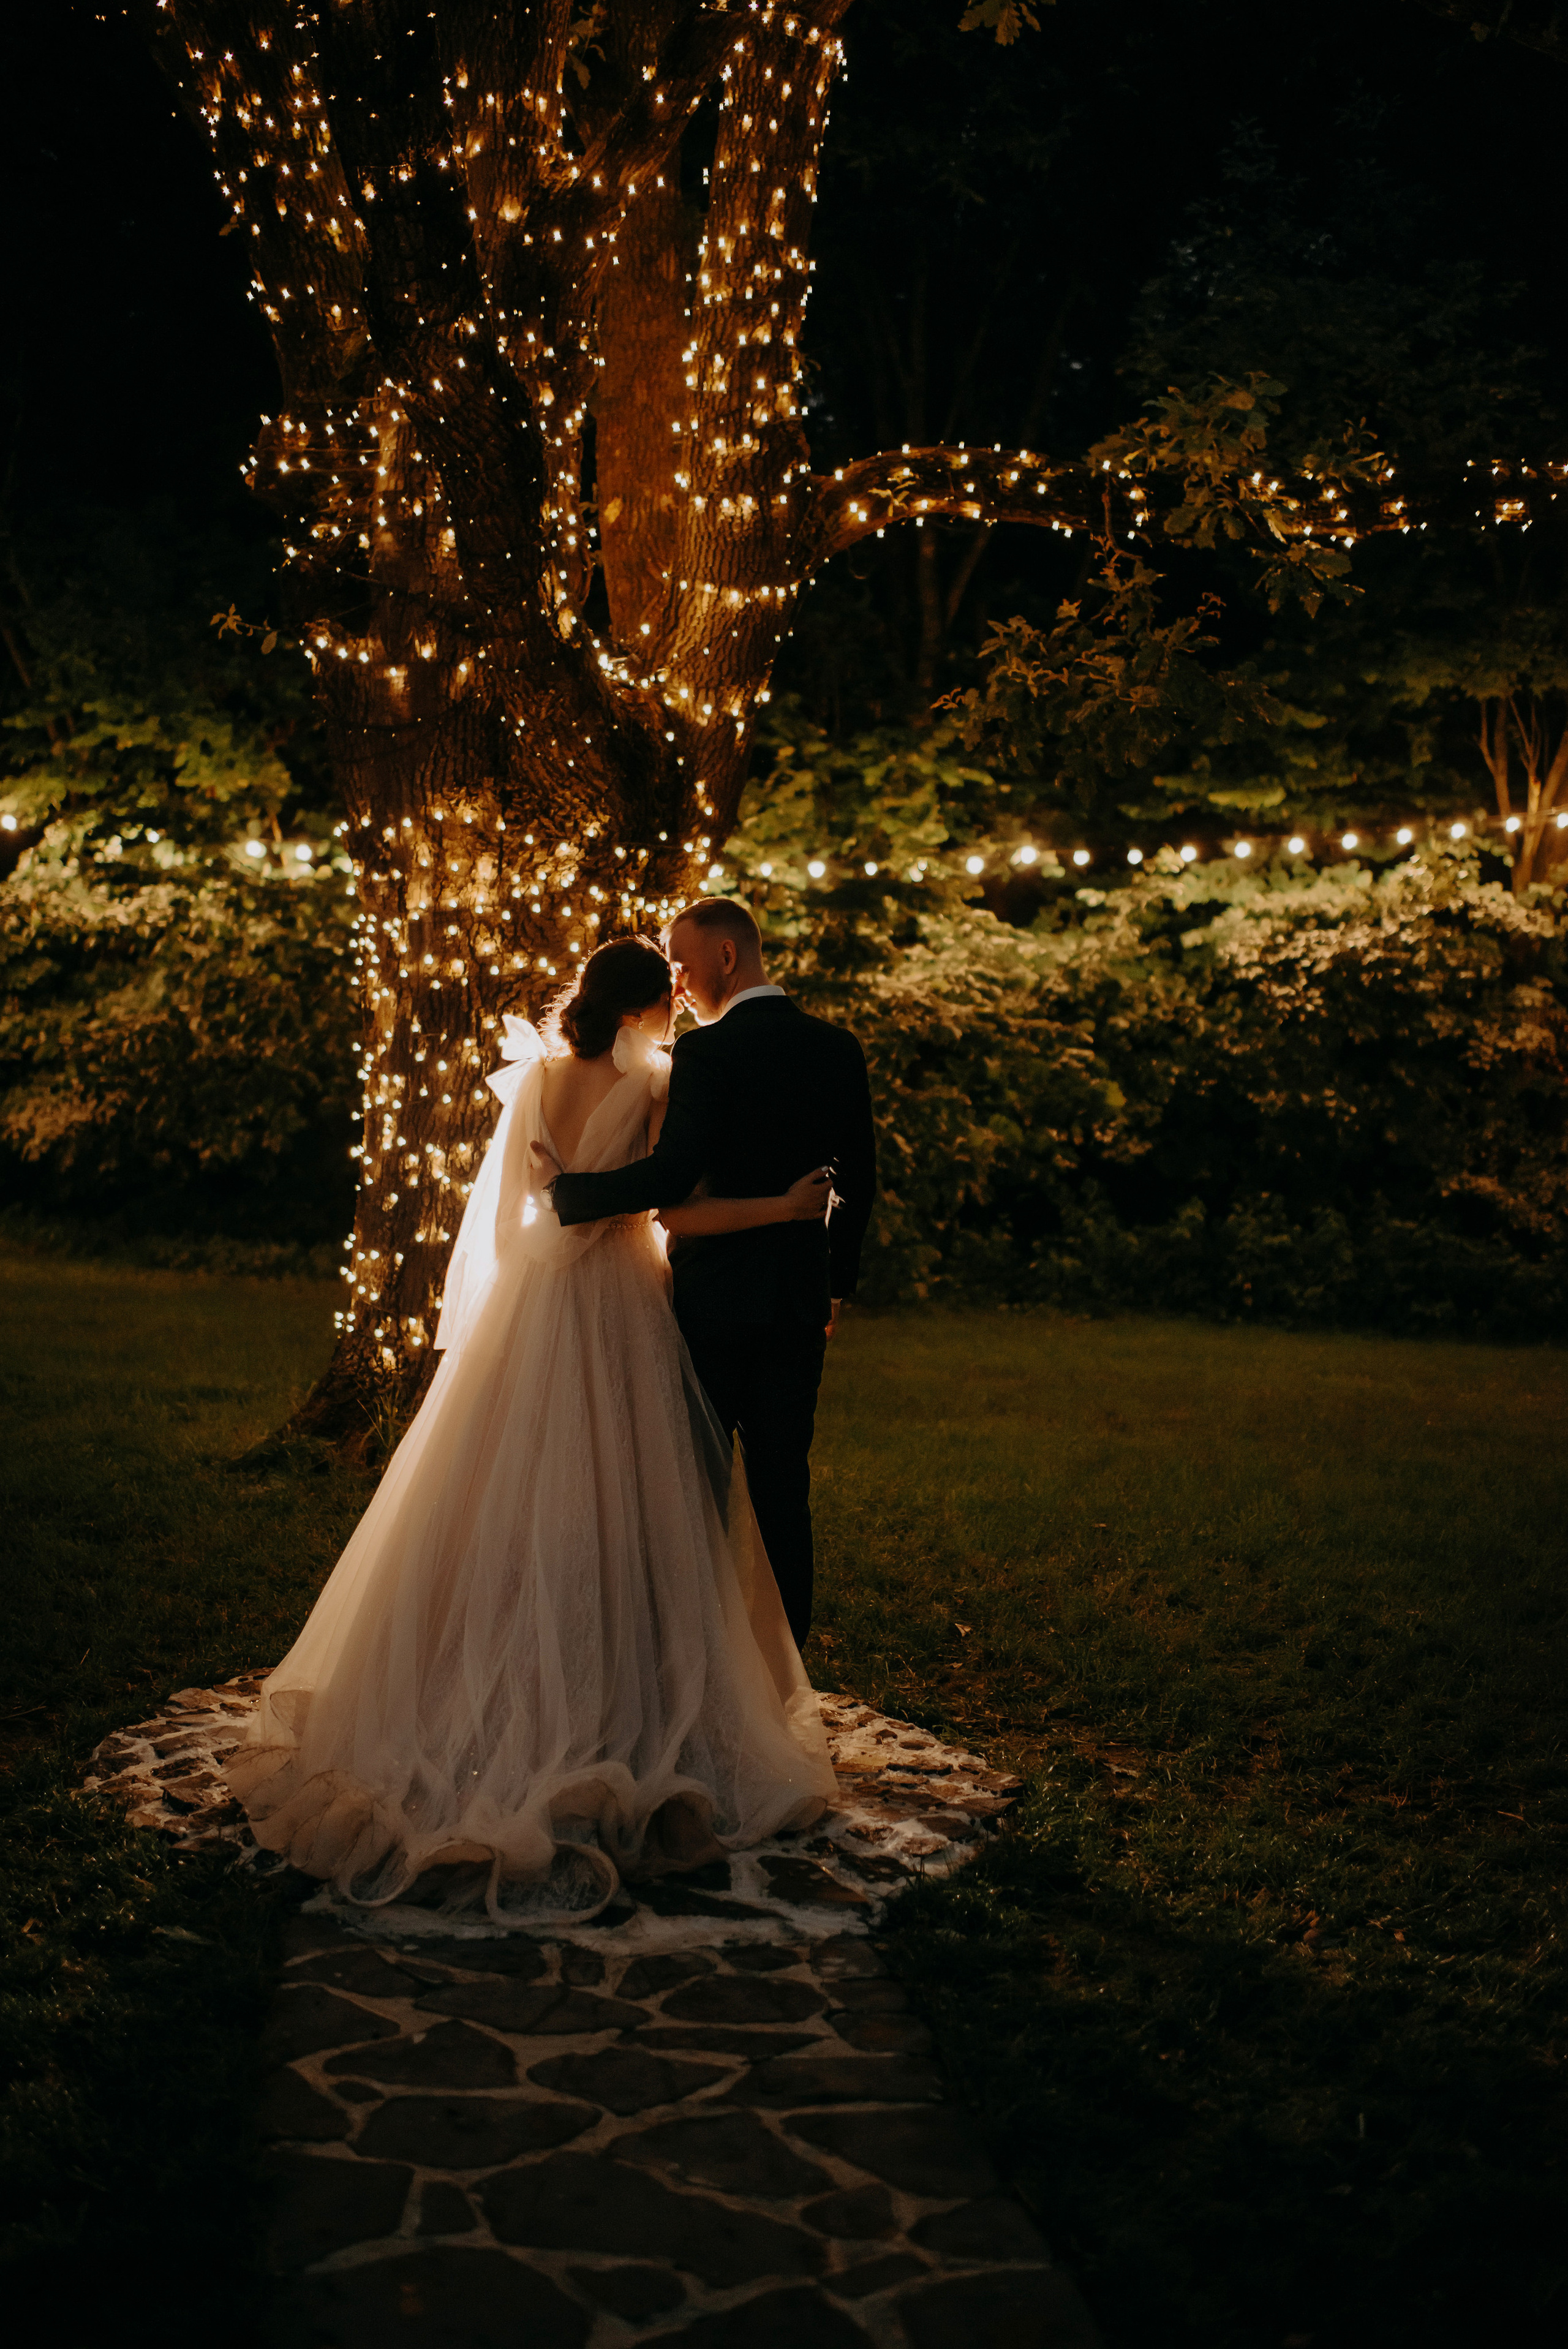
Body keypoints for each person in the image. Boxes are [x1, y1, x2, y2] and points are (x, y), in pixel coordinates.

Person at [227, 935, 839, 1923]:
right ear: (652, 1003)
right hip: (623, 1306)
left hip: (536, 1302)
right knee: (627, 1495)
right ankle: (621, 1691)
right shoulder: (658, 1080)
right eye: (670, 989)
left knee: (495, 1485)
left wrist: (560, 1220)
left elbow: (522, 1216)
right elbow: (676, 1212)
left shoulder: (537, 1075)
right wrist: (783, 1206)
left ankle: (471, 1672)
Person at [538, 897, 876, 1648]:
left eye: (685, 964)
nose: (680, 983)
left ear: (727, 957)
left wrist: (572, 1193)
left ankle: (688, 1661)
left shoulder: (705, 1055)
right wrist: (833, 1286)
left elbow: (670, 1177)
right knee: (784, 1488)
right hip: (795, 1303)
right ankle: (785, 1674)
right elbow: (862, 1179)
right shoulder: (837, 1046)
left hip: (710, 1304)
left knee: (689, 1490)